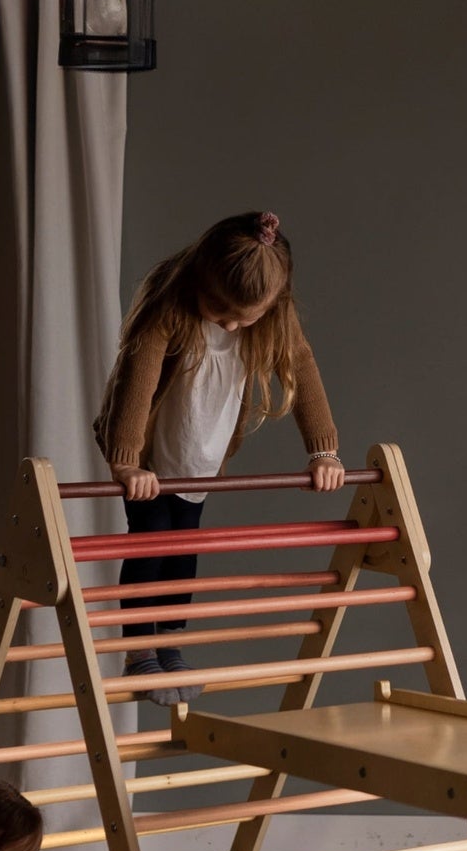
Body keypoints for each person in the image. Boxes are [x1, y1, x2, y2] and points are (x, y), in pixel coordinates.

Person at [93, 208, 345, 705]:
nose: (230, 323)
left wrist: (324, 451)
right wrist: (126, 461)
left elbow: (303, 368)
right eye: (220, 310)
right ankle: (139, 650)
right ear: (199, 278)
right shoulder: (171, 308)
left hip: (200, 456)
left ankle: (170, 644)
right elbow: (137, 381)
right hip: (151, 452)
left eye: (242, 318)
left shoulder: (274, 318)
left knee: (183, 554)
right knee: (150, 546)